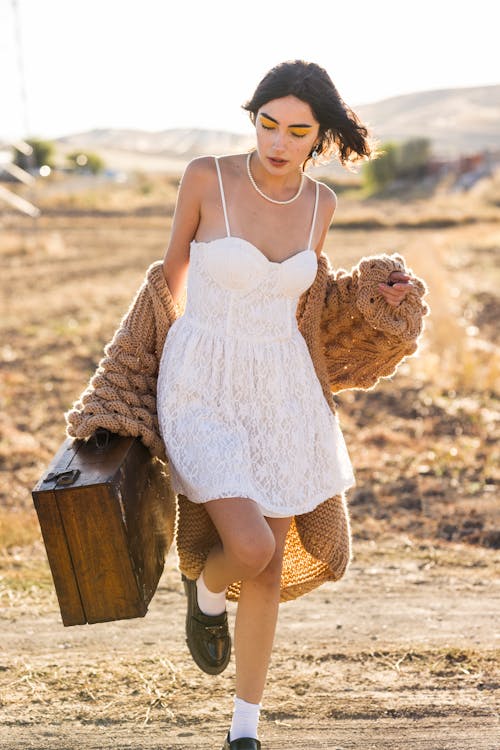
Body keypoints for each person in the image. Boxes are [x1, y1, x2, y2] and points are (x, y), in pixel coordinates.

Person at [155, 60, 416, 750]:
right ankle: (207, 594)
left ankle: (245, 730)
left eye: (296, 131)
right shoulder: (205, 177)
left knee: (268, 564)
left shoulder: (321, 205)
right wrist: (156, 357)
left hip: (282, 389)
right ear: (256, 118)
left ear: (319, 137)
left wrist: (377, 290)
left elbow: (309, 299)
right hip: (203, 381)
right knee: (249, 543)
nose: (276, 141)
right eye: (267, 123)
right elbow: (170, 275)